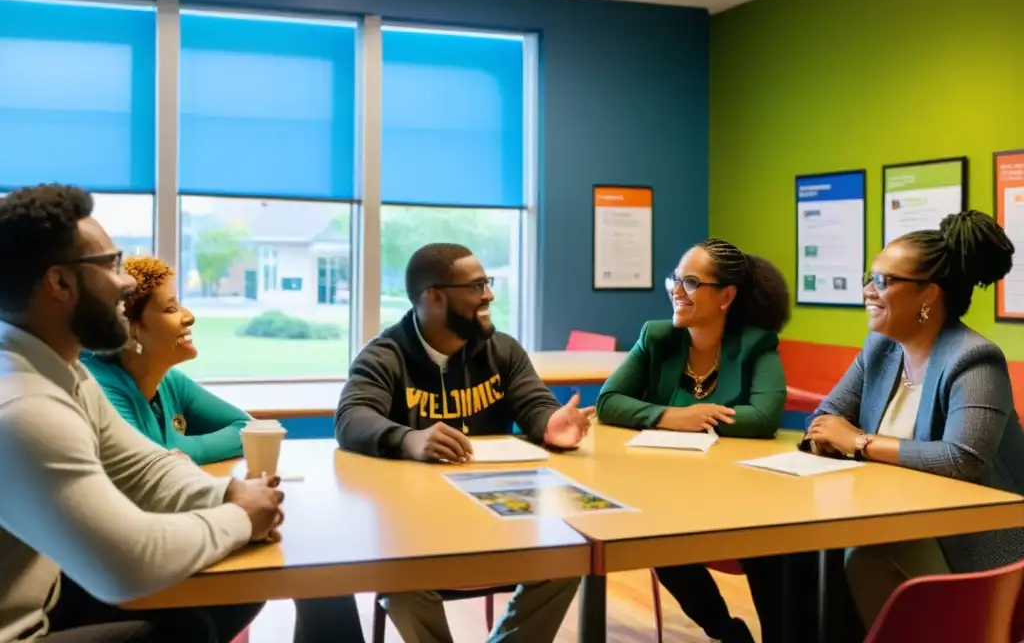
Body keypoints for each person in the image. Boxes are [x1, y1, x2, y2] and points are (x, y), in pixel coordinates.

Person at [0, 184, 283, 643]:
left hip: (47, 602)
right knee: (187, 628)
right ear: (60, 283)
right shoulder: (23, 405)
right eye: (110, 264)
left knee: (226, 599)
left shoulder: (62, 370)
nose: (126, 281)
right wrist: (240, 517)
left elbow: (145, 467)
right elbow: (128, 566)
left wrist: (229, 493)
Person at [81, 255, 366, 643]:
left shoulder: (170, 383)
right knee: (307, 574)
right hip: (118, 575)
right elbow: (143, 475)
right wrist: (169, 455)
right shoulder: (97, 385)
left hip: (174, 540)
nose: (188, 316)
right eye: (170, 307)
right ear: (131, 328)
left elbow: (248, 429)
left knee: (319, 572)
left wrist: (179, 448)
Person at [335, 243, 592, 643]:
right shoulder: (386, 355)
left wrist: (549, 422)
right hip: (416, 528)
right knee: (402, 584)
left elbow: (534, 401)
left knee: (566, 554)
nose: (489, 295)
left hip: (502, 514)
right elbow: (351, 418)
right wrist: (409, 439)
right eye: (476, 286)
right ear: (434, 296)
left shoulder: (502, 349)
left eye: (487, 284)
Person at [803, 210, 1024, 628]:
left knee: (867, 556)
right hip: (897, 516)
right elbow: (827, 416)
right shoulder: (880, 349)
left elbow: (964, 459)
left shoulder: (974, 359)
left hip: (976, 538)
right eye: (869, 277)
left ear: (928, 295)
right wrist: (830, 436)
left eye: (883, 281)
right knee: (804, 559)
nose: (868, 290)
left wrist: (859, 443)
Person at [597, 238, 814, 643]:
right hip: (670, 489)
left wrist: (703, 419)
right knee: (656, 538)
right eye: (675, 280)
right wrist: (672, 416)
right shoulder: (657, 338)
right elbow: (609, 401)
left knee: (770, 545)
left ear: (726, 296)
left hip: (744, 492)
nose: (677, 291)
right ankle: (727, 633)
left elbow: (764, 418)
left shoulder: (755, 344)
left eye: (692, 282)